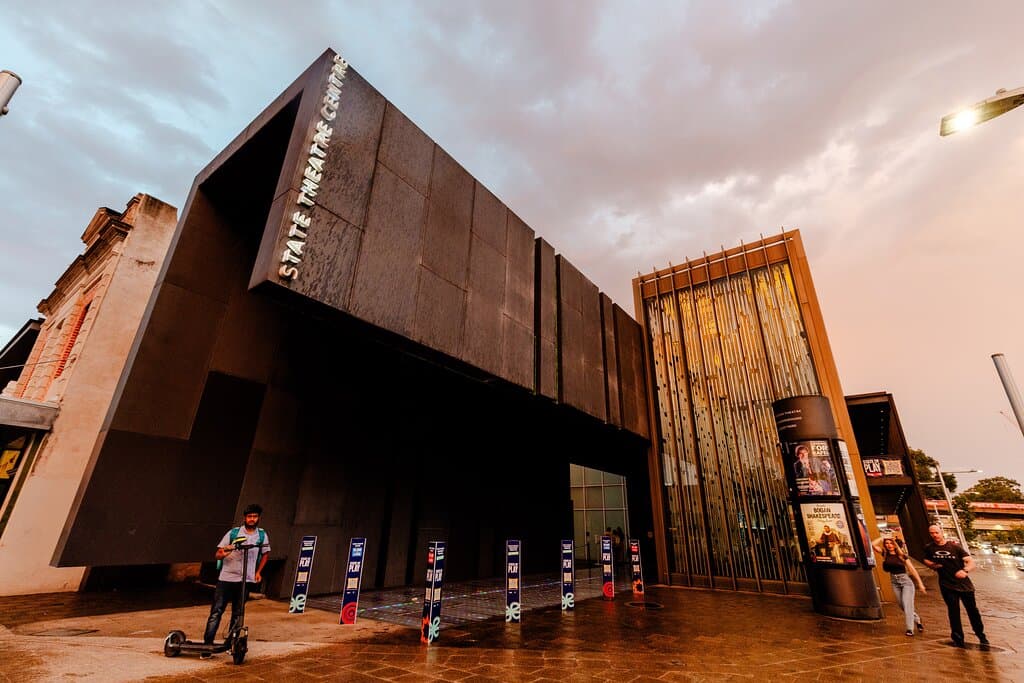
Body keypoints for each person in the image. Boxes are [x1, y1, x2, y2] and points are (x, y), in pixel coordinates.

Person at [203, 503, 271, 649]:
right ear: (245, 518)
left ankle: (231, 643)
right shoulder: (233, 533)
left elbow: (265, 554)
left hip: (245, 580)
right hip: (226, 579)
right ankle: (207, 645)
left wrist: (258, 572)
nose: (252, 519)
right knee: (216, 611)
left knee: (238, 613)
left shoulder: (262, 535)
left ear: (258, 518)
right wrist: (226, 550)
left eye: (255, 516)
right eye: (249, 516)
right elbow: (218, 554)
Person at [922, 524, 987, 648]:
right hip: (946, 585)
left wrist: (965, 571)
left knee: (972, 611)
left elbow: (971, 562)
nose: (934, 535)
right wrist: (932, 565)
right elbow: (925, 559)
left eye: (936, 532)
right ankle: (958, 639)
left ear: (942, 532)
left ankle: (981, 635)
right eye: (932, 533)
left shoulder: (954, 547)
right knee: (953, 611)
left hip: (964, 585)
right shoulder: (929, 548)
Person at [872, 536, 925, 636]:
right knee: (902, 605)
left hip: (906, 582)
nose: (889, 545)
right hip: (894, 582)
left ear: (895, 545)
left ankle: (910, 629)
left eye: (891, 543)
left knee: (907, 604)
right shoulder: (885, 554)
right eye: (887, 543)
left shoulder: (902, 556)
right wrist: (882, 537)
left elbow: (912, 570)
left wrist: (920, 583)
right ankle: (917, 619)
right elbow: (873, 544)